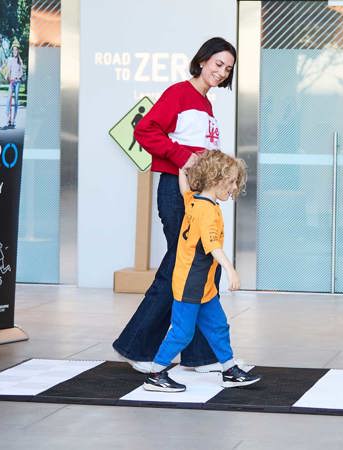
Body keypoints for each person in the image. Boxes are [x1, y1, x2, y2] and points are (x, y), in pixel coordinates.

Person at [112, 37, 238, 374]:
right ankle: (136, 345)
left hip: (197, 198)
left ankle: (200, 356)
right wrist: (185, 158)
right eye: (218, 64)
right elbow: (145, 131)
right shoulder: (178, 94)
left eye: (227, 68)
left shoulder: (205, 103)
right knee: (179, 271)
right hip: (177, 193)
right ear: (202, 60)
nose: (222, 72)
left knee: (194, 270)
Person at [144, 150, 260, 392]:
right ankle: (155, 374)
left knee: (217, 325)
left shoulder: (196, 200)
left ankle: (229, 370)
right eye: (230, 181)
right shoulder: (206, 211)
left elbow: (184, 188)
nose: (234, 186)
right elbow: (212, 247)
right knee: (183, 333)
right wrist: (231, 270)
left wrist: (181, 166)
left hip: (203, 284)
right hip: (189, 283)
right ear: (214, 180)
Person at [6, 39, 24, 127]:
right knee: (8, 99)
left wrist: (18, 77)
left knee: (16, 100)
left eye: (16, 50)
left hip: (17, 82)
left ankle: (13, 119)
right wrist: (8, 77)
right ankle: (8, 117)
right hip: (11, 81)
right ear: (12, 51)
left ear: (18, 51)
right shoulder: (10, 60)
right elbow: (8, 71)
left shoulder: (20, 61)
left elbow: (21, 72)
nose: (15, 51)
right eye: (13, 50)